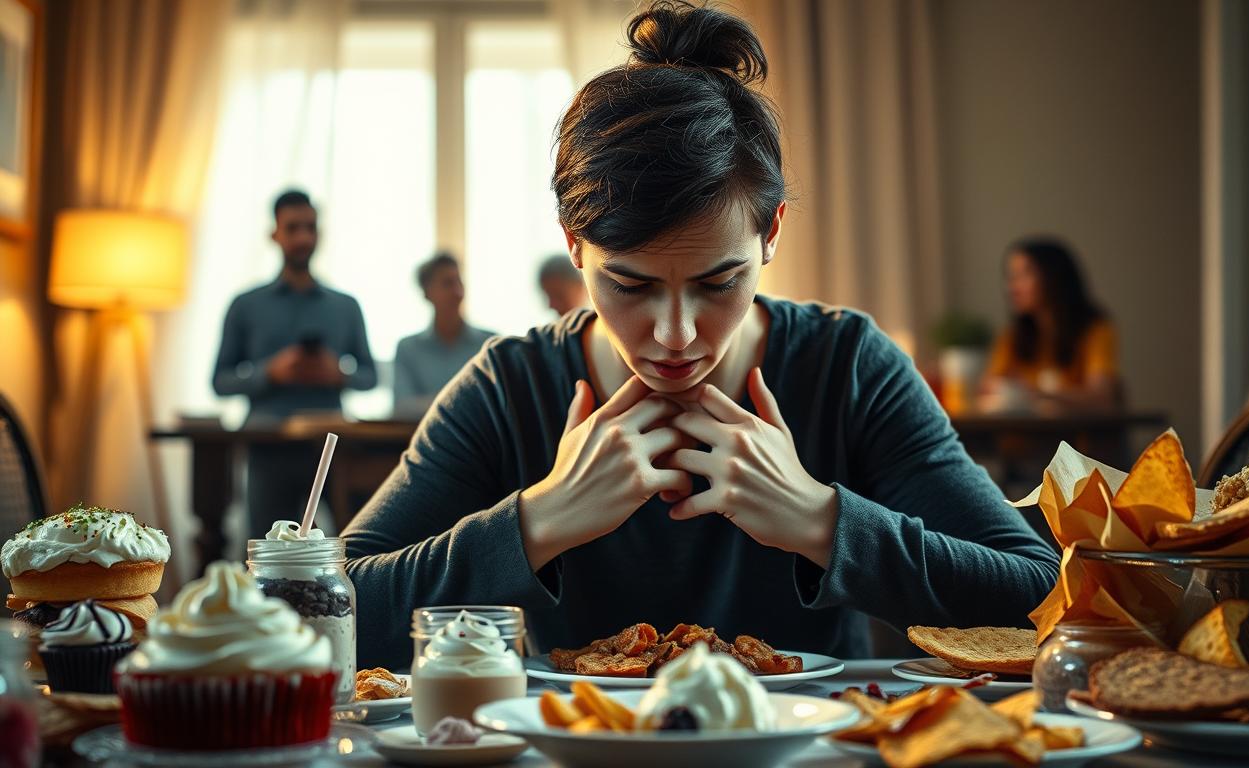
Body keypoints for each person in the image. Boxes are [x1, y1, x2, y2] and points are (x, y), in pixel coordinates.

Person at [343, 1, 1057, 670]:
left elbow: (1041, 596)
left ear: (770, 232)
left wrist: (821, 521)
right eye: (630, 285)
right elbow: (316, 612)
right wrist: (536, 524)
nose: (676, 335)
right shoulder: (511, 384)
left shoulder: (847, 366)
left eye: (719, 283)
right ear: (574, 245)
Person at [213, 189, 377, 536]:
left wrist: (339, 374)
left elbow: (370, 376)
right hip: (269, 446)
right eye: (293, 228)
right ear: (274, 234)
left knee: (357, 545)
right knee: (265, 550)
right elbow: (220, 382)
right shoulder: (245, 305)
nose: (303, 237)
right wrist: (269, 373)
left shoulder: (346, 306)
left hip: (333, 450)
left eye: (310, 227)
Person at [982, 237, 1121, 411]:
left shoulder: (1094, 329)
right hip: (1023, 435)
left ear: (1053, 276)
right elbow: (988, 390)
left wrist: (1038, 395)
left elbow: (1101, 396)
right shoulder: (1012, 336)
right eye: (1011, 276)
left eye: (1024, 274)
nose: (1012, 287)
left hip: (1075, 436)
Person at [393, 252, 496, 417]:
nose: (457, 292)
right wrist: (466, 403)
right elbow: (402, 406)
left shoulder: (489, 344)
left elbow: (499, 405)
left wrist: (434, 403)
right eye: (448, 284)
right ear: (427, 293)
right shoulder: (408, 348)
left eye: (459, 282)